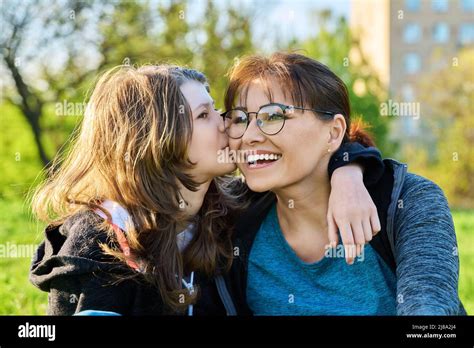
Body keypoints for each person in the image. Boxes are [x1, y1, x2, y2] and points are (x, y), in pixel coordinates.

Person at [29, 63, 384, 316]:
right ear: (158, 140)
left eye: (218, 110)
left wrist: (348, 173)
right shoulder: (105, 234)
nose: (227, 123)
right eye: (204, 115)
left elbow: (327, 143)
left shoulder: (228, 209)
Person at [223, 52, 466, 315]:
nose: (249, 136)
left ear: (334, 132)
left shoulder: (409, 201)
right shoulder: (227, 214)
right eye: (240, 119)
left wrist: (350, 168)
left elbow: (429, 313)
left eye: (274, 116)